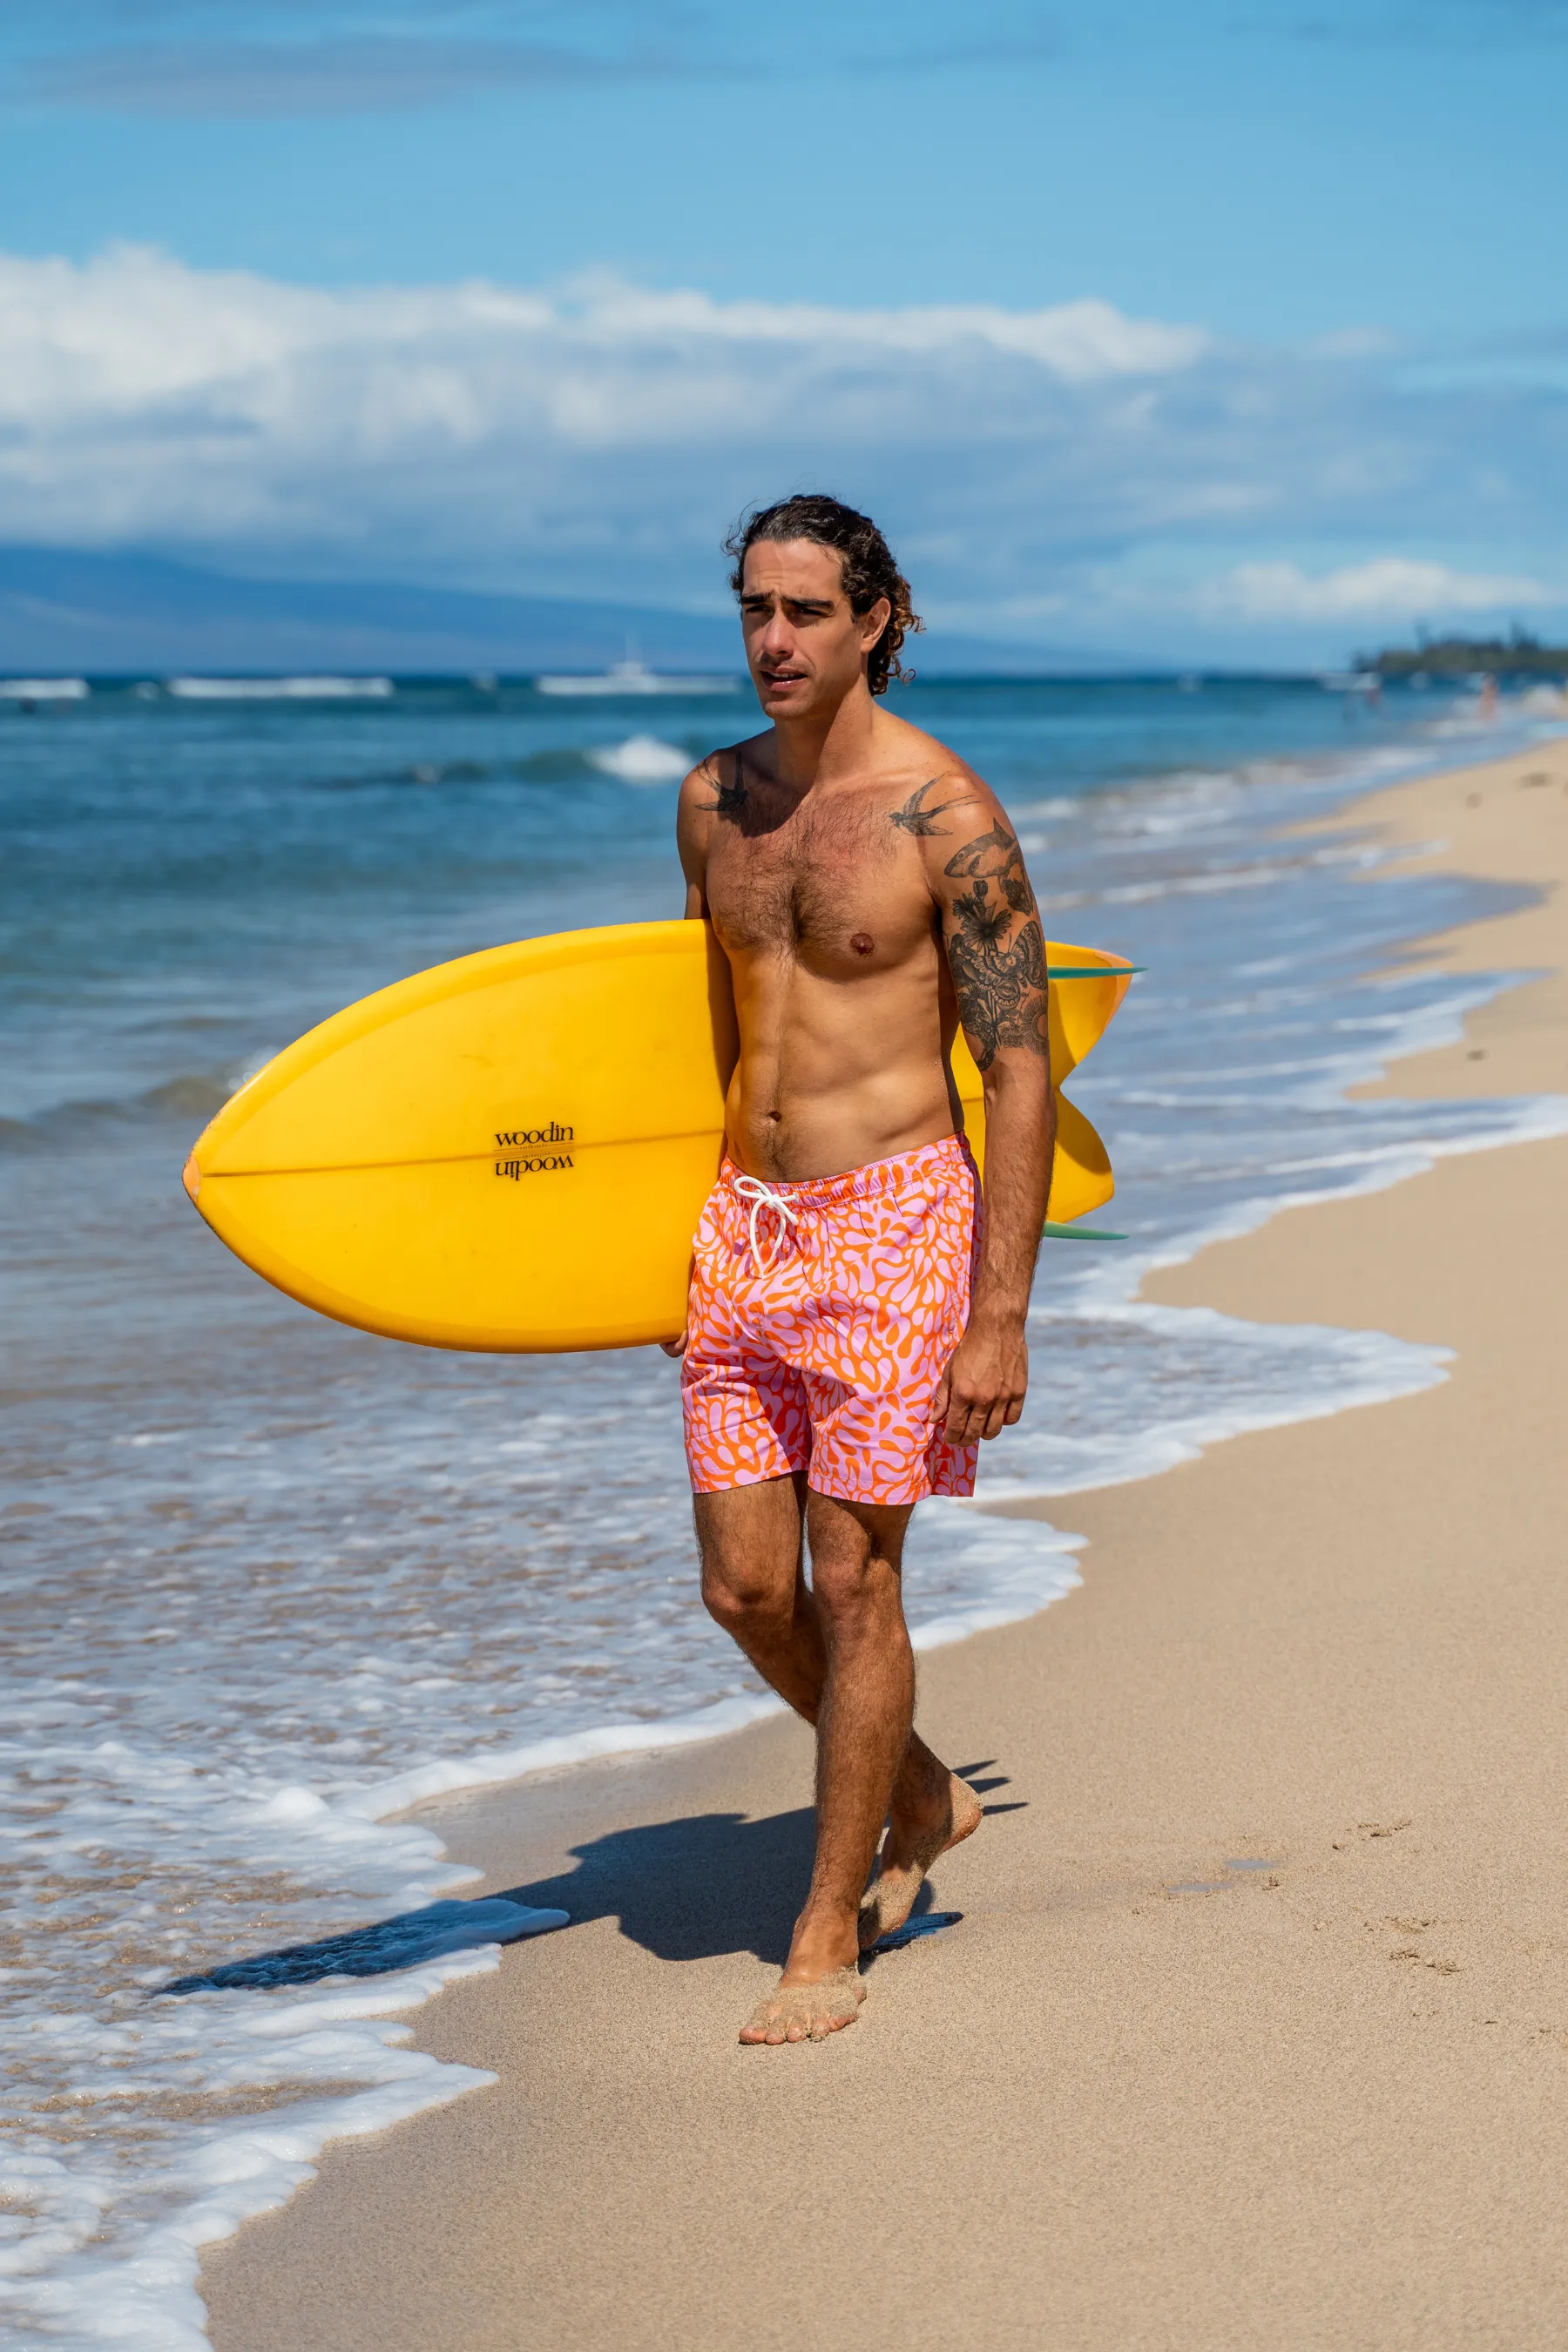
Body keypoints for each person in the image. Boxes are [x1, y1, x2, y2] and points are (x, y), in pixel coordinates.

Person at [666, 495, 1055, 2045]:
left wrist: (998, 1311)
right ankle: (920, 1791)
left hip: (896, 1219)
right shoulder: (712, 803)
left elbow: (1017, 1069)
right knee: (746, 1588)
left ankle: (825, 1929)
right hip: (741, 1228)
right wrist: (651, 1250)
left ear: (879, 617)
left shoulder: (946, 820)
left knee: (855, 1577)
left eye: (809, 611)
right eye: (756, 608)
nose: (775, 640)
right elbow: (685, 1038)